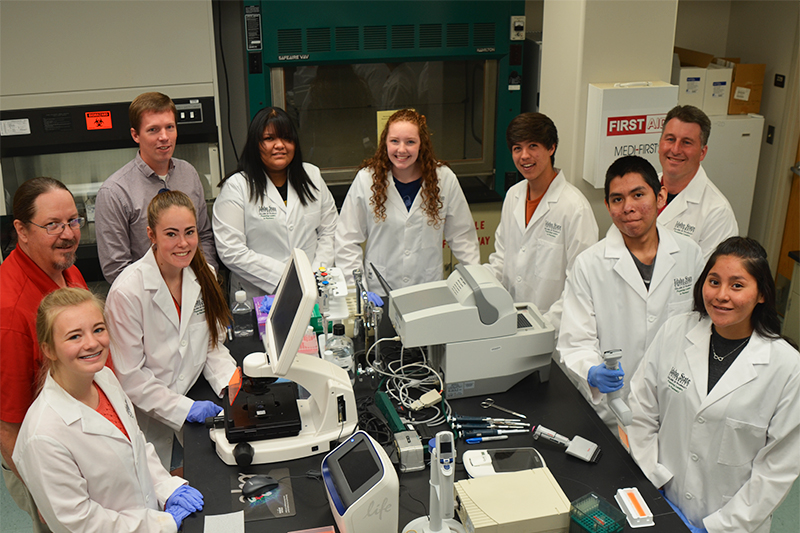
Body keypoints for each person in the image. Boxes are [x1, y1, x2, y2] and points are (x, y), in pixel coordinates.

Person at [628, 237, 800, 533]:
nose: (721, 295)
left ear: (761, 294)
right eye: (714, 281)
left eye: (737, 285)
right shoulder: (675, 331)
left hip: (735, 521)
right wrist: (652, 478)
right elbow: (642, 409)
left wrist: (719, 527)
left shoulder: (787, 367)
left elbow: (777, 468)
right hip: (662, 500)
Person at [13, 287, 204, 532]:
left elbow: (136, 445)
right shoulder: (43, 436)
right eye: (74, 336)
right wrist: (160, 525)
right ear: (49, 349)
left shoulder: (104, 378)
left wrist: (167, 488)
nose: (92, 343)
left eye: (98, 329)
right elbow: (81, 523)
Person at [558, 155, 703, 432]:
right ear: (607, 206)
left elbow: (700, 329)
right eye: (617, 199)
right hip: (612, 409)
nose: (628, 207)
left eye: (638, 195)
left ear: (660, 197)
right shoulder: (589, 265)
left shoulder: (689, 254)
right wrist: (592, 371)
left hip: (672, 403)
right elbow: (576, 341)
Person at [105, 191, 236, 468]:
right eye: (171, 234)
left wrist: (232, 384)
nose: (183, 243)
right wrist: (184, 409)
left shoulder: (205, 275)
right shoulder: (127, 292)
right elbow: (131, 377)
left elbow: (210, 345)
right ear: (151, 235)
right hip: (149, 421)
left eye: (189, 232)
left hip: (193, 396)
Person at [1, 177, 90, 533]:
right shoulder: (10, 311)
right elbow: (9, 427)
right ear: (21, 230)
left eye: (73, 221)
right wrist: (41, 493)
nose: (68, 234)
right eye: (52, 224)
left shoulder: (66, 270)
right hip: (46, 463)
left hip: (83, 439)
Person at [336, 108, 480, 295]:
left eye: (410, 142)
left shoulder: (444, 179)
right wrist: (359, 292)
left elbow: (463, 238)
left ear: (422, 144)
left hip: (427, 288)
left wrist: (478, 287)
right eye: (394, 141)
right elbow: (347, 241)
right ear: (385, 143)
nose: (401, 149)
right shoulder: (367, 179)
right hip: (380, 291)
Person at [486, 113, 597, 330]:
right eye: (517, 148)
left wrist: (543, 327)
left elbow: (581, 285)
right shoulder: (513, 196)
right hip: (511, 322)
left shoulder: (575, 208)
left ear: (551, 148)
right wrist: (478, 285)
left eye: (533, 146)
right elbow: (501, 259)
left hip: (554, 330)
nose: (524, 156)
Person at [213, 106, 338, 300]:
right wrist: (290, 279)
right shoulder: (237, 186)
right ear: (255, 144)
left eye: (287, 138)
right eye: (269, 138)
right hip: (259, 295)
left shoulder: (312, 176)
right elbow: (231, 250)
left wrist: (314, 275)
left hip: (312, 290)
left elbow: (330, 231)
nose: (280, 145)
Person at [96, 91, 217, 284]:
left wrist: (206, 281)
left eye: (170, 127)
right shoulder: (114, 192)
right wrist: (164, 294)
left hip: (196, 288)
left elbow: (203, 236)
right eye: (153, 130)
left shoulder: (189, 174)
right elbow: (116, 268)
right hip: (146, 295)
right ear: (135, 135)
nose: (164, 137)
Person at [658, 105, 738, 261]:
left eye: (686, 142)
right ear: (660, 144)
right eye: (670, 139)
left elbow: (711, 273)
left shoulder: (718, 213)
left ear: (702, 152)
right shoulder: (642, 187)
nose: (675, 149)